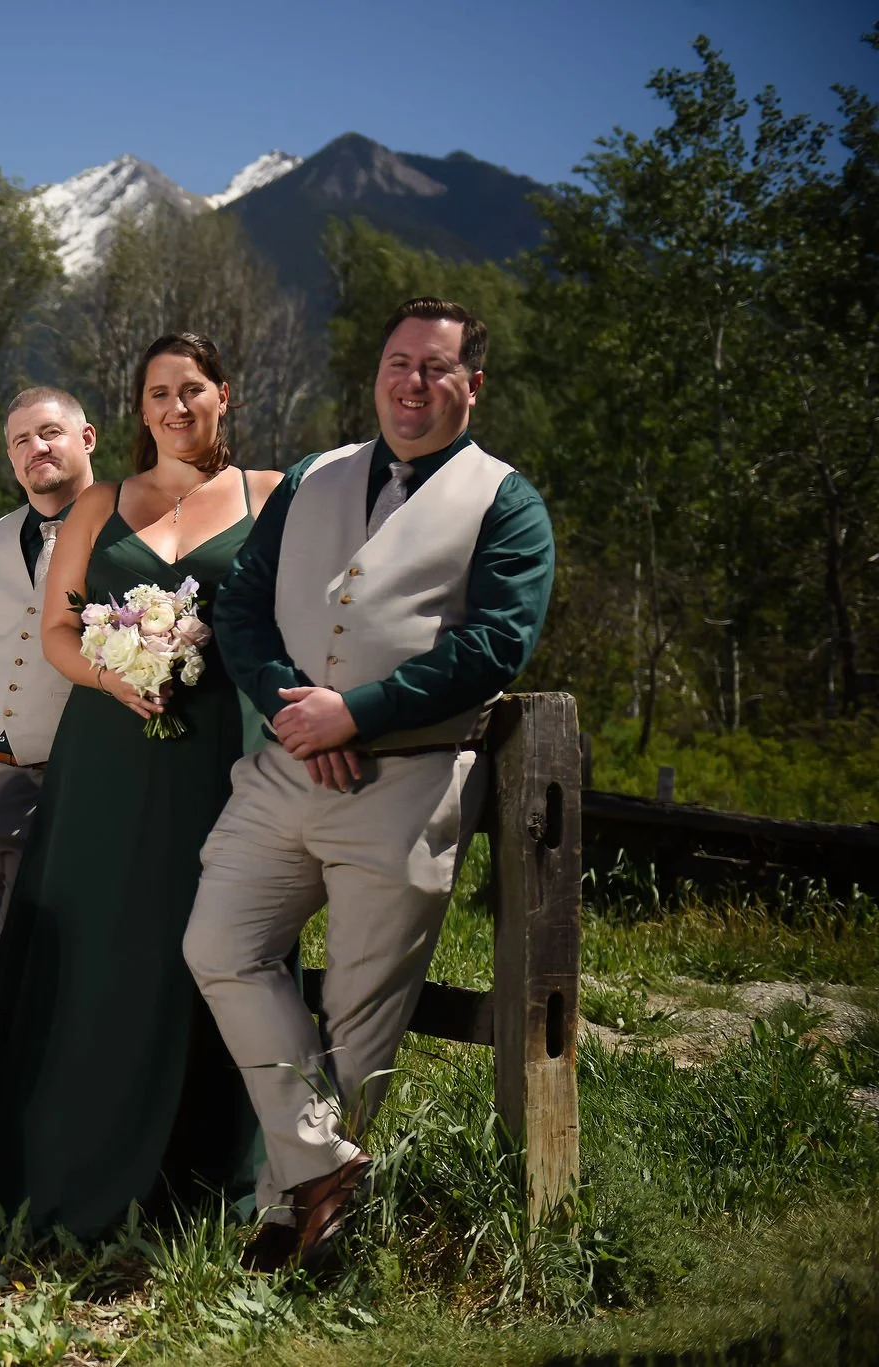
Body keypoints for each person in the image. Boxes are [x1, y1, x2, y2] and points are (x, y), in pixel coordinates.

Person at [185, 298, 555, 1274]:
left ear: (471, 384)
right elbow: (241, 607)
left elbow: (494, 645)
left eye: (435, 369)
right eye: (397, 363)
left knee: (359, 1013)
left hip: (408, 781)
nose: (410, 384)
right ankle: (322, 1167)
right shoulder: (312, 474)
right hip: (282, 767)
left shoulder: (504, 501)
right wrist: (293, 712)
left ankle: (292, 1225)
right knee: (216, 941)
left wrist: (360, 712)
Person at [0, 335, 281, 1242]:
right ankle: (66, 1160)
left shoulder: (273, 495)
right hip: (105, 750)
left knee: (201, 946)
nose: (178, 406)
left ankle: (203, 1173)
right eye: (160, 392)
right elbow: (60, 629)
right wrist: (111, 676)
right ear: (139, 410)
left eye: (195, 389)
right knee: (92, 947)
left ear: (226, 394)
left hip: (215, 757)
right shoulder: (103, 501)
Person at [0, 387, 93, 1123]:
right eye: (20, 441)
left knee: (44, 963)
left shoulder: (119, 529)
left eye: (50, 433)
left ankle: (44, 1129)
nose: (36, 449)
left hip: (60, 773)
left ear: (87, 437)